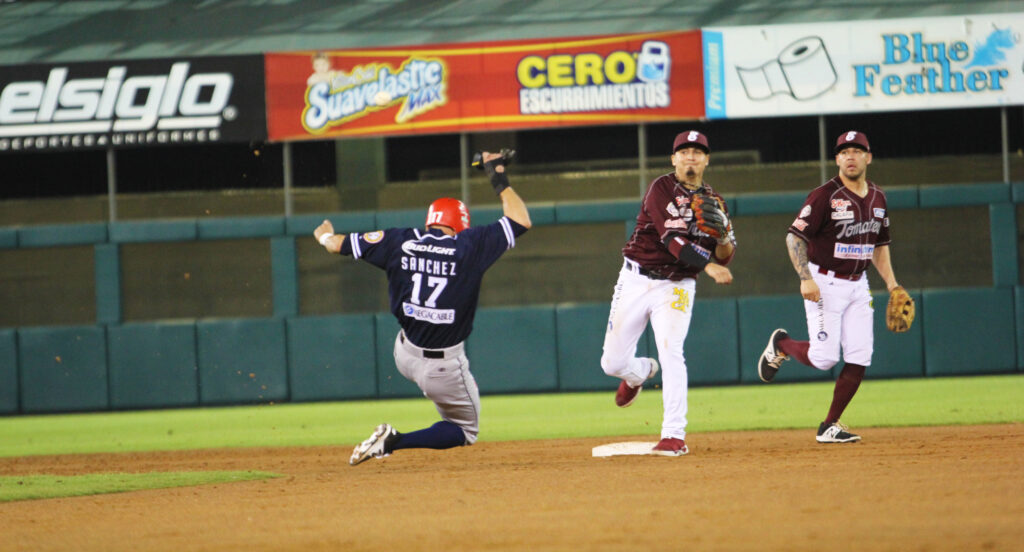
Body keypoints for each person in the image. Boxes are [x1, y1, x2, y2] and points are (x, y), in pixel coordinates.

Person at [314, 151, 530, 466]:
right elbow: (520, 219)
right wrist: (497, 175)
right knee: (464, 431)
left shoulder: (397, 240)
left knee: (431, 377)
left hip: (404, 353)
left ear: (430, 220)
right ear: (460, 225)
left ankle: (406, 422)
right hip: (442, 365)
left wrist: (325, 238)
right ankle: (393, 441)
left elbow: (336, 245)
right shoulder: (468, 246)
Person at [757, 130, 903, 444]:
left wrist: (892, 285)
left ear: (868, 157)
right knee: (825, 359)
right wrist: (805, 277)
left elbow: (880, 246)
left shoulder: (878, 197)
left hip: (858, 285)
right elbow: (794, 237)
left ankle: (829, 425)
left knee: (861, 356)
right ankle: (781, 344)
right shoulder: (825, 195)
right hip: (824, 282)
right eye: (844, 151)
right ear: (837, 159)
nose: (850, 156)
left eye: (856, 150)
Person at [601, 130, 736, 457]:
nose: (690, 156)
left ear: (706, 160)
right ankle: (639, 373)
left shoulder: (716, 201)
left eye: (697, 151)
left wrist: (720, 239)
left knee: (671, 350)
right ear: (673, 159)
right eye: (684, 151)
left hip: (676, 285)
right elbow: (672, 241)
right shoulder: (661, 188)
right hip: (635, 278)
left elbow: (726, 254)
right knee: (611, 363)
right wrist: (708, 266)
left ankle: (674, 435)